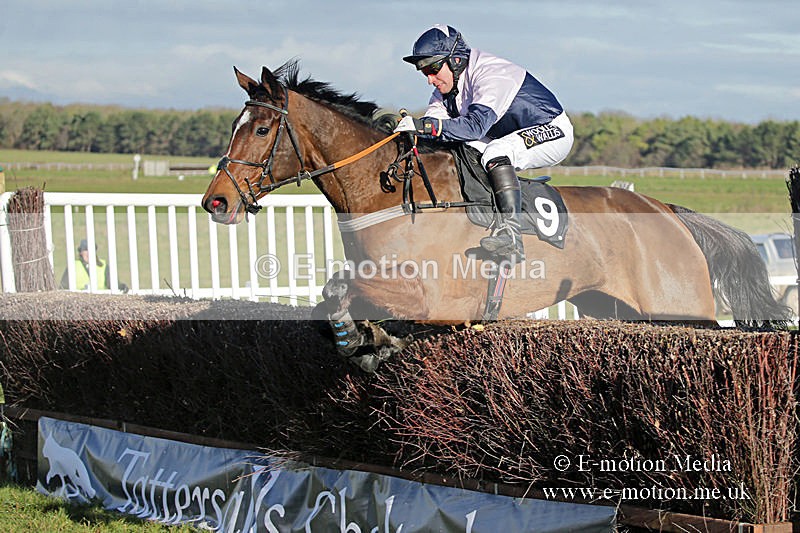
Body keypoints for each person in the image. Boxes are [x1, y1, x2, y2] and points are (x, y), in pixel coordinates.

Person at [395, 24, 574, 261]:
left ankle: (511, 234)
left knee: (496, 151)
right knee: (462, 150)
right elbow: (433, 128)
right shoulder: (446, 89)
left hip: (551, 130)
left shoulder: (490, 74)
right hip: (504, 133)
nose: (430, 79)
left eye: (433, 68)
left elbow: (474, 127)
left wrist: (424, 126)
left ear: (456, 60)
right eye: (424, 71)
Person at [60, 239, 127, 292]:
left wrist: (122, 287)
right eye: (86, 250)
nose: (89, 253)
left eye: (91, 249)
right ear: (81, 252)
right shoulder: (73, 266)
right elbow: (63, 288)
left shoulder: (103, 266)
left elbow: (114, 285)